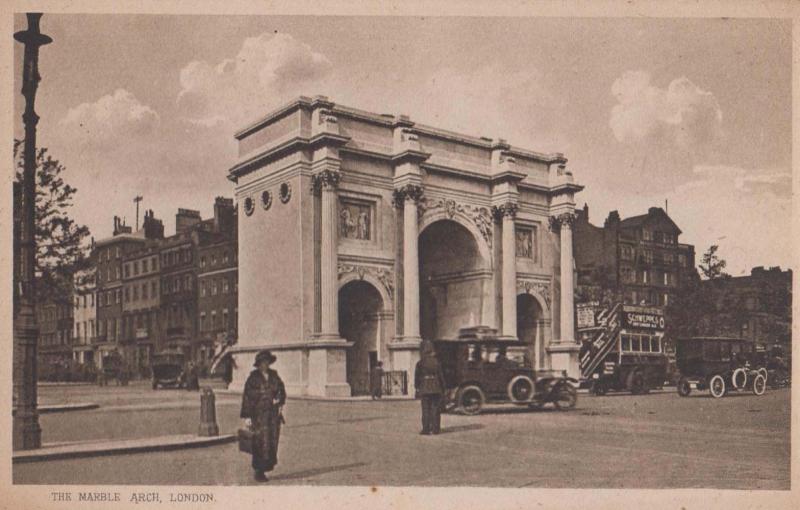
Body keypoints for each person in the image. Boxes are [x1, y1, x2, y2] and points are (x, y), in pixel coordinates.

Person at [240, 350, 286, 482]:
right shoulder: (253, 378)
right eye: (262, 362)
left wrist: (279, 400)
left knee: (271, 441)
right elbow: (247, 397)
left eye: (267, 362)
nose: (265, 365)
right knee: (259, 442)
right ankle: (258, 470)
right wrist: (247, 417)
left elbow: (281, 390)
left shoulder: (274, 375)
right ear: (258, 364)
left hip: (272, 415)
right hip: (258, 416)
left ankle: (265, 468)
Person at [414, 341, 446, 435]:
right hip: (436, 387)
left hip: (424, 387)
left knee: (425, 409)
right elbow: (441, 376)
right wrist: (443, 387)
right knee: (435, 409)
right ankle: (436, 429)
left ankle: (426, 429)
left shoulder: (420, 363)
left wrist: (417, 387)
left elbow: (417, 376)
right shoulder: (437, 362)